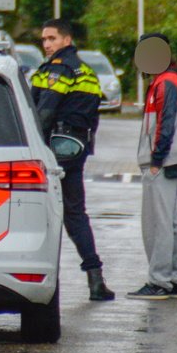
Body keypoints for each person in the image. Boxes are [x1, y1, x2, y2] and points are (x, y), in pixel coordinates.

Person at [30, 18, 115, 301]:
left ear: (66, 40)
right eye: (43, 40)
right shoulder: (87, 72)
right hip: (76, 148)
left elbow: (43, 113)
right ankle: (95, 280)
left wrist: (30, 148)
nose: (46, 45)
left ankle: (30, 275)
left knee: (35, 211)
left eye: (51, 39)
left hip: (54, 148)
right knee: (76, 214)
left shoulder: (58, 69)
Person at [128, 32, 177, 299]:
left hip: (163, 164)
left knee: (159, 224)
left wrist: (155, 161)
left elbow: (165, 126)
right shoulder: (170, 81)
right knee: (171, 222)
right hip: (173, 161)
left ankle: (159, 282)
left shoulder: (165, 83)